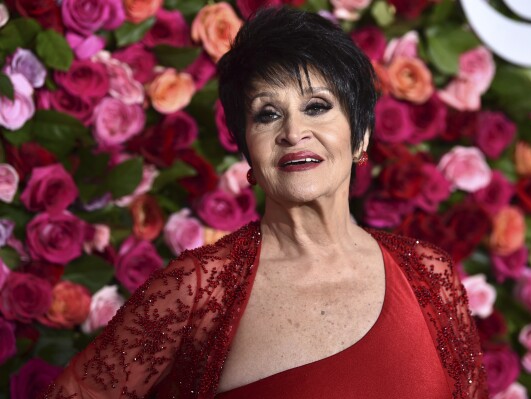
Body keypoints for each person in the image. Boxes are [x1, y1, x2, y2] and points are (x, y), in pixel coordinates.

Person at [42, 7, 487, 399]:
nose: (293, 132)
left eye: (316, 106)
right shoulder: (196, 291)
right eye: (267, 114)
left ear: (361, 135)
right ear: (247, 150)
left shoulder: (428, 275)